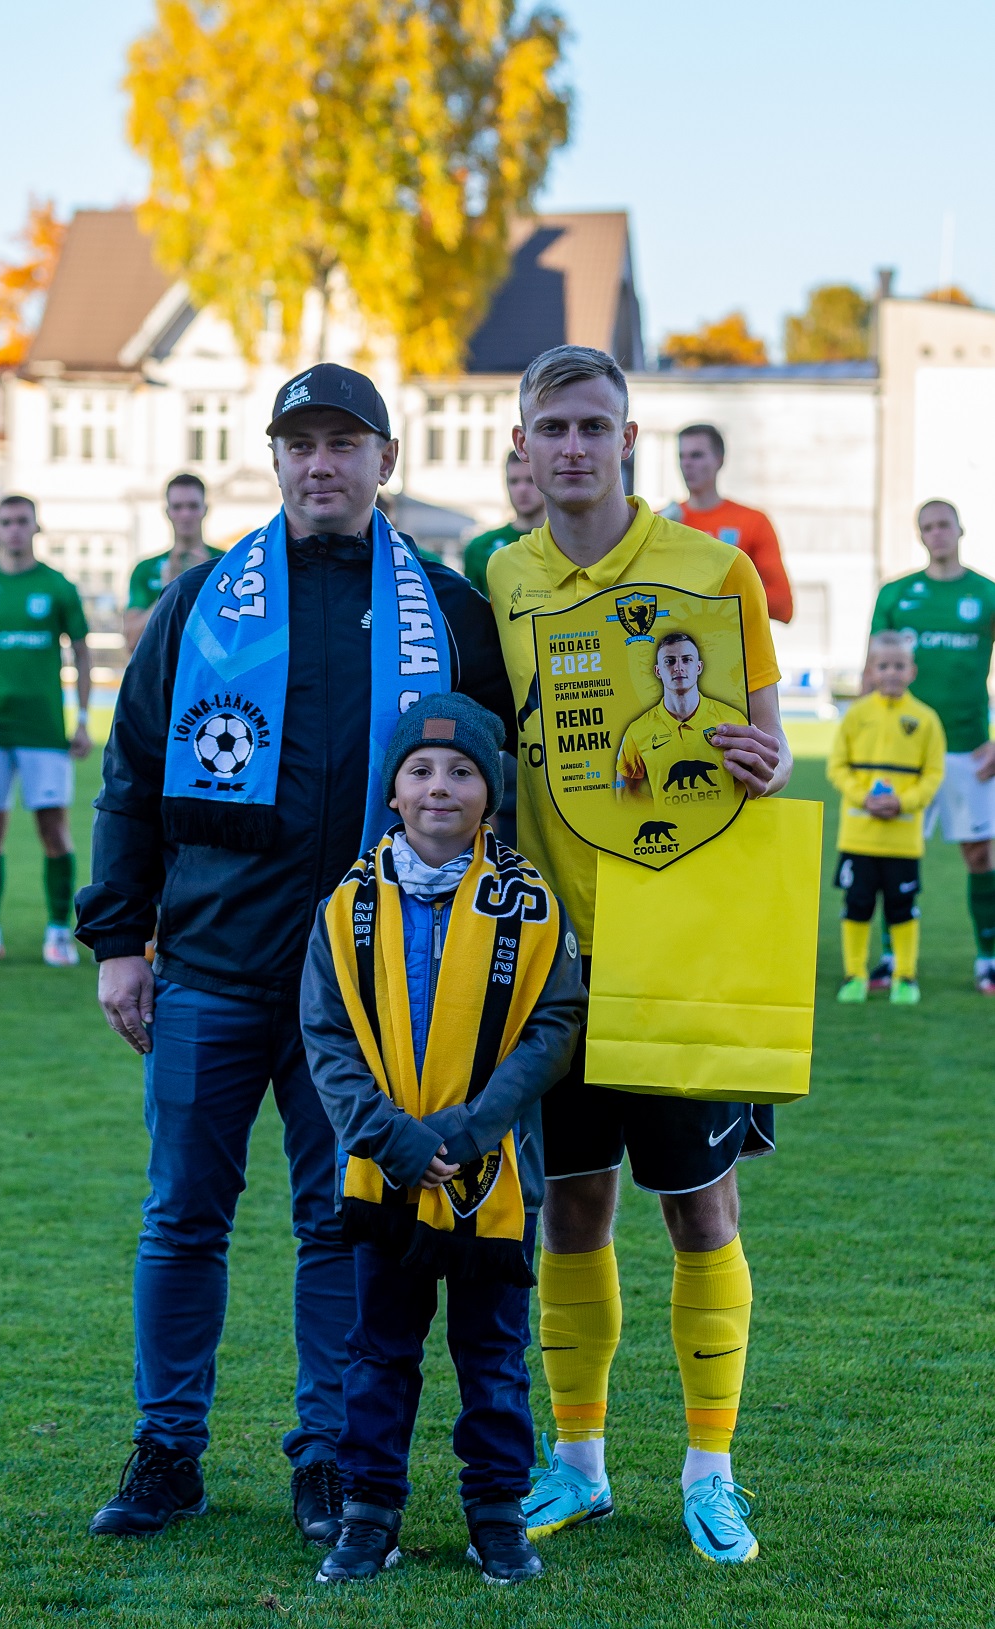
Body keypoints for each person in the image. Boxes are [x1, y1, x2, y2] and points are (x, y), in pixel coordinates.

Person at [74, 363, 515, 1545]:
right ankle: (167, 1450)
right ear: (271, 459)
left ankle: (325, 1455)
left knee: (337, 1223)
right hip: (210, 969)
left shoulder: (448, 611)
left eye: (343, 443)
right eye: (300, 444)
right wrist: (119, 941)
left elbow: (498, 794)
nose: (320, 465)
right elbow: (128, 775)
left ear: (385, 460)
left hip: (369, 989)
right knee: (182, 1218)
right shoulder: (199, 600)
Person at [486, 345, 792, 1565]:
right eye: (550, 426)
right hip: (552, 956)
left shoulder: (713, 571)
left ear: (626, 437)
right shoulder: (501, 577)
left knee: (699, 1209)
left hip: (680, 943)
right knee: (570, 1207)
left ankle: (711, 1472)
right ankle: (578, 1465)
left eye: (591, 425)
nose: (570, 445)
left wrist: (765, 762)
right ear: (521, 443)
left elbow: (763, 743)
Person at [301, 693, 584, 1585]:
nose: (439, 787)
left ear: (490, 791)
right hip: (383, 1172)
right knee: (378, 1352)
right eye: (419, 770)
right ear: (391, 790)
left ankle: (495, 1512)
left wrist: (470, 1127)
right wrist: (387, 1135)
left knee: (493, 1356)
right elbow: (327, 1036)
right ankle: (368, 1512)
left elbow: (554, 1023)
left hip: (491, 1173)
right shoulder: (346, 905)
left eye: (462, 771)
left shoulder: (529, 903)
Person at [0, 495, 91, 966]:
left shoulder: (57, 586)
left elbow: (82, 653)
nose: (13, 529)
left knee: (54, 830)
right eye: (5, 521)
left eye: (21, 521)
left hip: (44, 731)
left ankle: (58, 931)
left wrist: (83, 719)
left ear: (35, 527)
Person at [870, 499, 995, 995]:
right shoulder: (896, 594)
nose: (936, 533)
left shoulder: (986, 594)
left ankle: (988, 959)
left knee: (979, 855)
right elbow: (872, 672)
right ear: (919, 535)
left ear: (960, 529)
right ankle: (891, 958)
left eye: (944, 524)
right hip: (904, 751)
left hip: (970, 748)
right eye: (927, 527)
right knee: (895, 854)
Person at [826, 631, 944, 1006]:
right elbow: (837, 767)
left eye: (899, 666)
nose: (891, 672)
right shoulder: (856, 715)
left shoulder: (925, 719)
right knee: (857, 906)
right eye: (883, 666)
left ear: (912, 671)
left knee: (902, 910)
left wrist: (904, 802)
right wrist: (863, 797)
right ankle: (855, 976)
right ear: (871, 671)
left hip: (902, 840)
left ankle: (904, 977)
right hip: (858, 838)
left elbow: (933, 774)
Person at [667, 424, 794, 625]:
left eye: (697, 455)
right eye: (682, 456)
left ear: (720, 460)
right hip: (677, 640)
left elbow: (782, 605)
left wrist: (712, 590)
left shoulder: (752, 521)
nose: (687, 464)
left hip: (731, 639)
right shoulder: (663, 523)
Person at [615, 632, 748, 802]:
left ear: (698, 667)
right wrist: (659, 814)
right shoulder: (637, 731)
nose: (678, 667)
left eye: (686, 660)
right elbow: (625, 795)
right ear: (658, 671)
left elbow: (752, 781)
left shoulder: (732, 719)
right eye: (669, 661)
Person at [124, 474, 223, 655]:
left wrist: (207, 584)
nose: (185, 514)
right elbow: (132, 641)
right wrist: (170, 591)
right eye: (178, 507)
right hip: (165, 670)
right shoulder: (145, 569)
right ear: (167, 512)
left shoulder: (227, 563)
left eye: (193, 506)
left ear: (205, 509)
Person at [462, 451, 547, 599]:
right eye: (514, 481)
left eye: (530, 480)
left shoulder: (566, 542)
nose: (522, 489)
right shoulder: (479, 547)